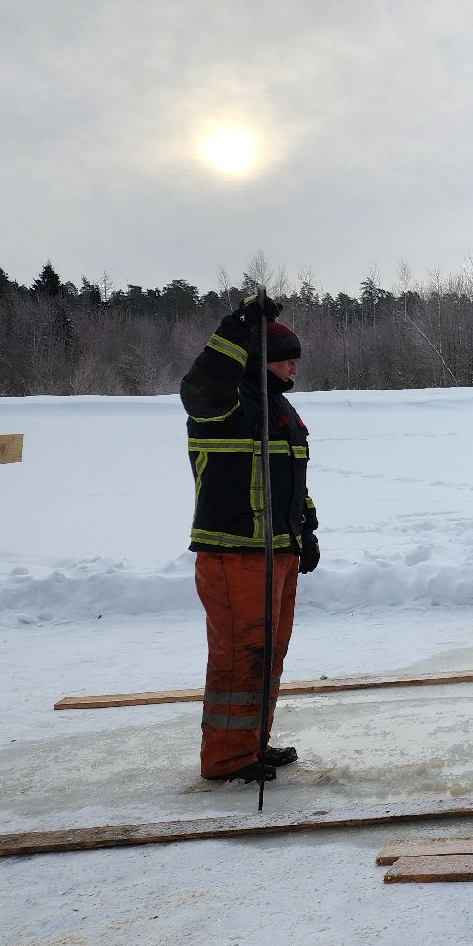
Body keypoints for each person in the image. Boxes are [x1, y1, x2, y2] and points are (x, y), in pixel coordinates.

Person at [180, 292, 320, 782]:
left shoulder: (279, 411)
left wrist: (308, 525)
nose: (292, 370)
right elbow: (200, 386)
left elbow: (290, 480)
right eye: (283, 361)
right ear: (258, 361)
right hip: (234, 551)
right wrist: (237, 330)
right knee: (241, 657)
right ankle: (225, 759)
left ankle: (250, 744)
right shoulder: (222, 404)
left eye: (295, 361)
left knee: (267, 654)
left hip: (277, 550)